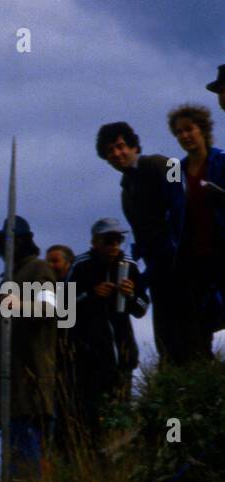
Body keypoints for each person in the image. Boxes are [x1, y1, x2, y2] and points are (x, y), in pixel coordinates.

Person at [56, 219, 147, 455]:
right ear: (95, 242)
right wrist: (90, 295)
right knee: (92, 417)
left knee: (122, 412)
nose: (115, 245)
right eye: (109, 240)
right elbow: (63, 308)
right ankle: (93, 461)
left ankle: (121, 458)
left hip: (123, 354)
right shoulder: (81, 266)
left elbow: (142, 307)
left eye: (119, 240)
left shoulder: (129, 266)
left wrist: (130, 295)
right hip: (89, 357)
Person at [96, 121, 181, 363]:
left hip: (181, 259)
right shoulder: (126, 189)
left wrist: (177, 234)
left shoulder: (157, 163)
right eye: (110, 151)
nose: (117, 153)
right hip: (158, 265)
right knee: (166, 331)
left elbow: (177, 175)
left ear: (133, 146)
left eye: (121, 146)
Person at [0, 216, 59, 472]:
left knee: (29, 458)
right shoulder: (9, 278)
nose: (7, 248)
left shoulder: (39, 270)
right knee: (14, 459)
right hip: (9, 385)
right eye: (5, 242)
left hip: (31, 382)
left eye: (13, 241)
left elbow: (52, 308)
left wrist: (19, 305)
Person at [167, 103, 225, 363]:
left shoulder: (221, 160)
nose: (184, 136)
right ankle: (204, 377)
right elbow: (168, 210)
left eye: (189, 129)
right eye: (179, 132)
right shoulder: (174, 170)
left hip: (220, 249)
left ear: (202, 129)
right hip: (192, 257)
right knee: (197, 324)